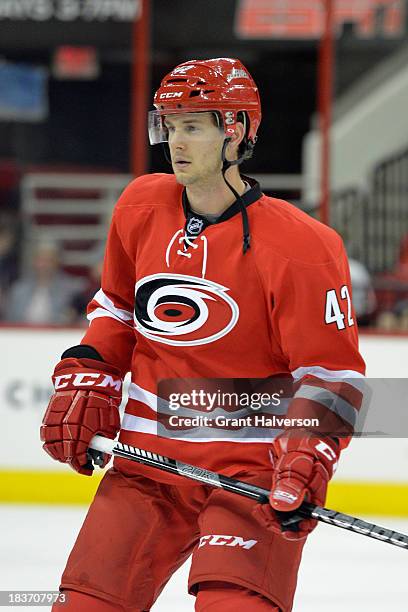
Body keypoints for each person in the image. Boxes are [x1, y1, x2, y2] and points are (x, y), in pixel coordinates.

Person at [41, 58, 365, 612]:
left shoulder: (304, 247)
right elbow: (118, 309)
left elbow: (331, 373)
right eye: (168, 126)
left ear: (234, 129)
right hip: (147, 464)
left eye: (192, 126)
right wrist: (87, 376)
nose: (175, 142)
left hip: (250, 474)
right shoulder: (140, 206)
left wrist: (309, 453)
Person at [4, 239, 83, 325]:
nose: (44, 265)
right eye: (40, 260)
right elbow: (9, 320)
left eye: (48, 260)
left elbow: (75, 319)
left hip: (57, 336)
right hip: (20, 336)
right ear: (33, 261)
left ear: (57, 262)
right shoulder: (19, 289)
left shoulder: (72, 290)